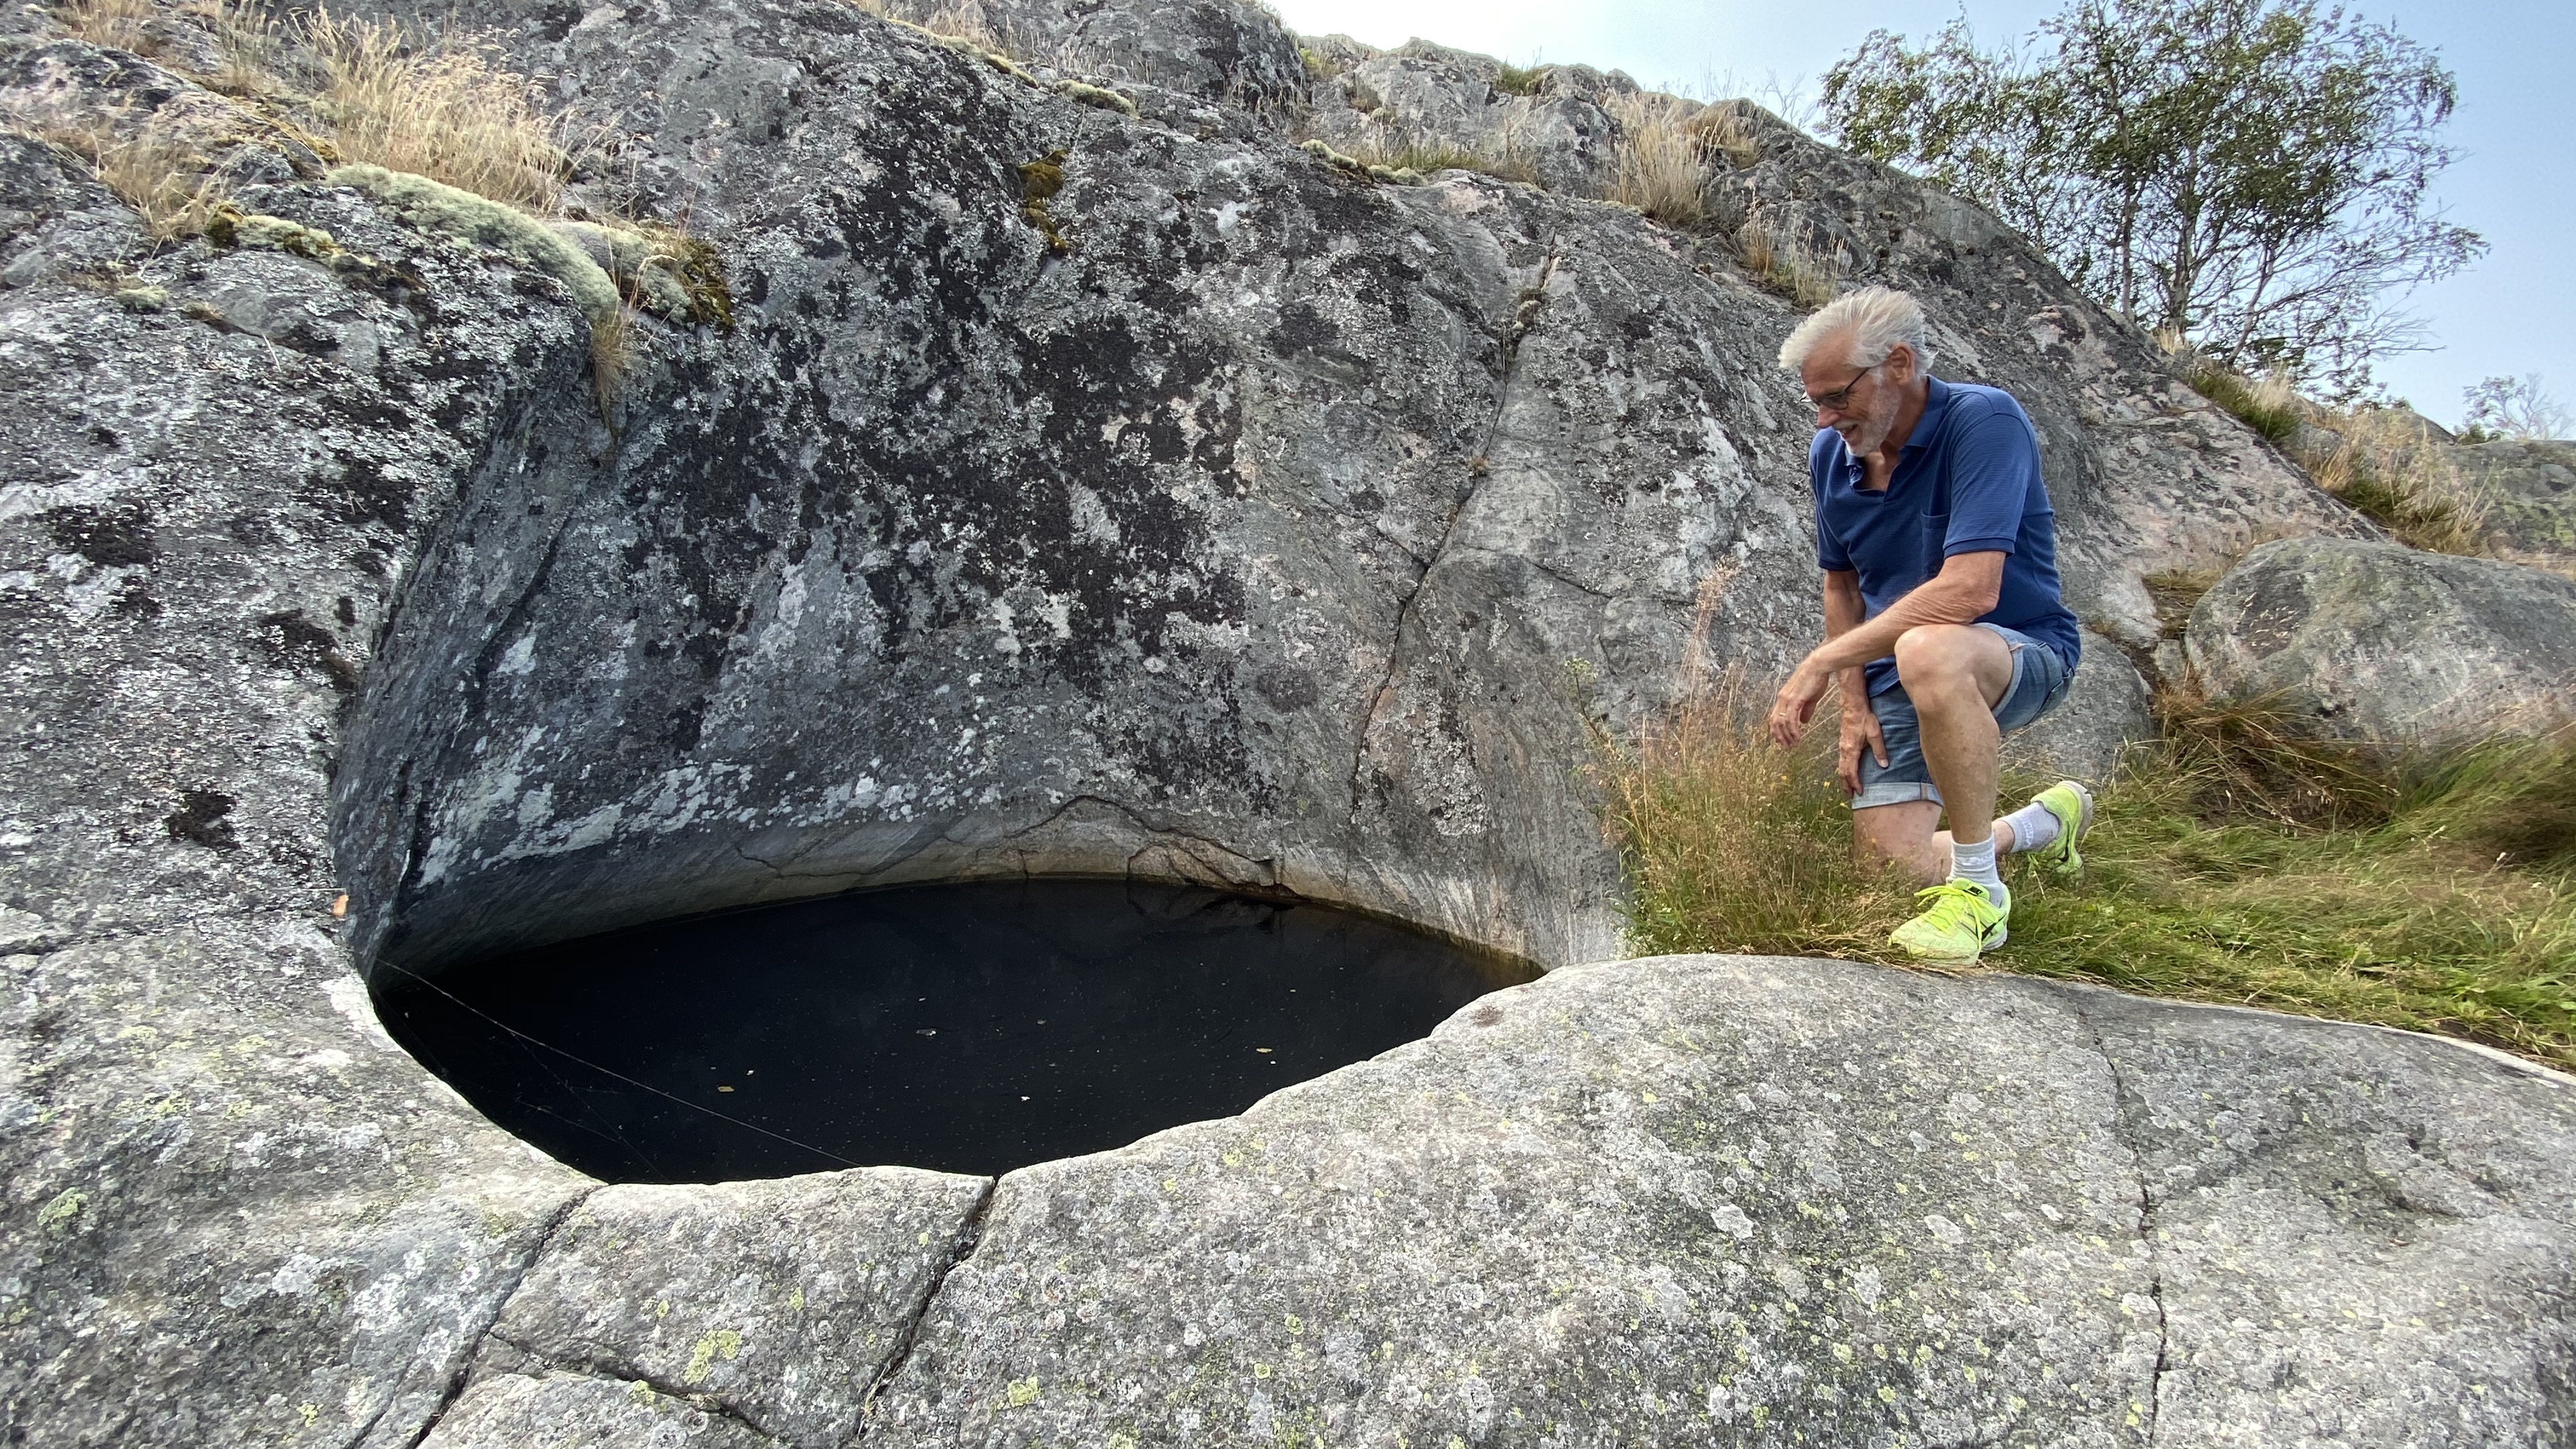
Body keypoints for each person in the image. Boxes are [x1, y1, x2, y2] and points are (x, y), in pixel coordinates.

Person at [1763, 286, 2096, 963]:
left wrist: (1824, 661)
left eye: (1838, 397)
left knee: (1929, 649)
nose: (1825, 419)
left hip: (2017, 652)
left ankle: (1979, 896)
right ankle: (2040, 825)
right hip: (1900, 670)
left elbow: (1970, 591)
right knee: (1890, 876)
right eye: (1816, 403)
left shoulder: (1985, 421)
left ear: (1899, 364)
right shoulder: (1831, 454)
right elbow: (1842, 585)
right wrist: (1854, 702)